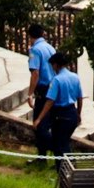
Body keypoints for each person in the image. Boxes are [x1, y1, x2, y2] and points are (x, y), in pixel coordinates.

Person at [34, 50, 84, 159]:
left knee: (59, 145)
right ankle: (67, 165)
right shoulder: (75, 77)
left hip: (60, 116)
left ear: (56, 65)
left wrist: (39, 118)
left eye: (52, 65)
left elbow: (50, 101)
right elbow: (80, 98)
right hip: (72, 113)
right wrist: (78, 113)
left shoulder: (56, 80)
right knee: (64, 142)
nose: (52, 68)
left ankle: (64, 166)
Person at [25, 23, 56, 160]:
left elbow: (35, 73)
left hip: (43, 90)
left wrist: (30, 93)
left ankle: (59, 150)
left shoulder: (35, 50)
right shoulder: (50, 48)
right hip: (53, 88)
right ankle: (42, 157)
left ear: (30, 36)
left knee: (39, 125)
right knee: (46, 124)